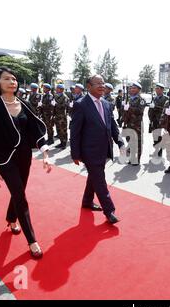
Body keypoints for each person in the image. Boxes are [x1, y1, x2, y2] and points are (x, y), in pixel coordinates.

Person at [0, 67, 52, 259]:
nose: (12, 82)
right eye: (7, 79)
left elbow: (35, 130)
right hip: (5, 159)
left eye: (14, 79)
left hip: (24, 157)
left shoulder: (25, 102)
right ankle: (32, 240)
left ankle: (11, 219)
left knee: (18, 191)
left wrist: (45, 153)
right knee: (20, 196)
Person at [70, 75, 125, 224]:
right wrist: (75, 153)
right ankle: (110, 211)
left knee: (94, 176)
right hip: (89, 151)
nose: (102, 86)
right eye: (98, 84)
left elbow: (112, 125)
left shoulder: (107, 104)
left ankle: (87, 201)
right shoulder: (81, 104)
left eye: (103, 83)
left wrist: (120, 143)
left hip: (105, 149)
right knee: (99, 179)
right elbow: (75, 131)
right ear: (88, 86)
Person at [121, 81, 146, 165]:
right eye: (131, 88)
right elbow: (124, 111)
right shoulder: (128, 98)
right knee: (130, 140)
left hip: (137, 124)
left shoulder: (141, 99)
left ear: (138, 90)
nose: (132, 89)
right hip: (128, 123)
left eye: (134, 88)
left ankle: (136, 159)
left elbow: (140, 111)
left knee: (137, 142)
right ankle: (131, 157)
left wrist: (130, 108)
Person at [149, 83, 168, 157]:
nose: (156, 90)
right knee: (155, 135)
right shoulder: (154, 98)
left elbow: (166, 109)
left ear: (162, 90)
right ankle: (157, 149)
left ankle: (160, 150)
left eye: (158, 88)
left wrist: (156, 106)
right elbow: (151, 109)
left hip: (161, 119)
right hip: (154, 120)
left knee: (160, 135)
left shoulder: (166, 99)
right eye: (156, 88)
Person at [53, 83, 69, 149]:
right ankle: (61, 142)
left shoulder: (65, 97)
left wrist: (56, 104)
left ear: (61, 89)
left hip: (62, 116)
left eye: (57, 88)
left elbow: (64, 106)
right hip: (57, 115)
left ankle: (64, 144)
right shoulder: (56, 96)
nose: (56, 89)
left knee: (63, 130)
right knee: (59, 130)